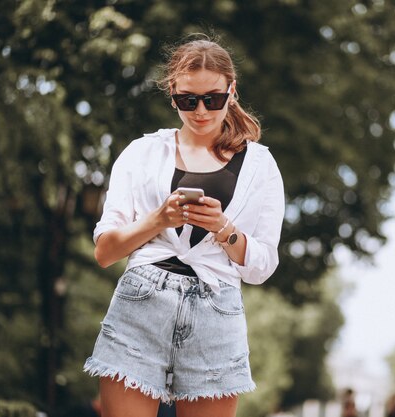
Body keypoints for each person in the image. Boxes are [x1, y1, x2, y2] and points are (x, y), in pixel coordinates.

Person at [83, 35, 285, 417]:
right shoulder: (141, 154)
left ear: (231, 90)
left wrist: (225, 230)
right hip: (140, 307)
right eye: (188, 100)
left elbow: (262, 267)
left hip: (216, 315)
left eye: (213, 99)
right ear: (172, 93)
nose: (202, 111)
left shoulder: (260, 167)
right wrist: (159, 219)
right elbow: (105, 251)